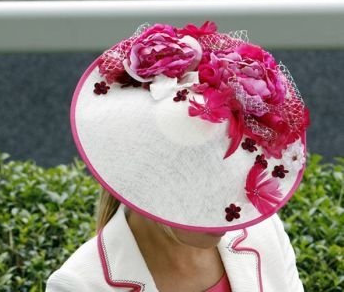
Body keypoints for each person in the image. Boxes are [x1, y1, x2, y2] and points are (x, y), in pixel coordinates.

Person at [46, 21, 309, 292]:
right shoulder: (79, 284)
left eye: (232, 175)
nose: (227, 207)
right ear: (147, 175)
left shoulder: (264, 232)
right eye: (203, 183)